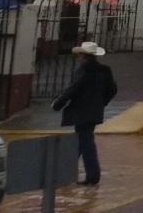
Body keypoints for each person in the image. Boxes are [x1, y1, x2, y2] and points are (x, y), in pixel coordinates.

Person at [51, 42, 117, 186]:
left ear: (84, 56)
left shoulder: (85, 71)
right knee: (81, 142)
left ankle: (92, 176)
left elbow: (73, 89)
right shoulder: (105, 70)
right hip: (95, 112)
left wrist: (58, 104)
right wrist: (101, 102)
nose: (78, 58)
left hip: (81, 112)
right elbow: (112, 90)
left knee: (86, 143)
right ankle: (66, 173)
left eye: (80, 55)